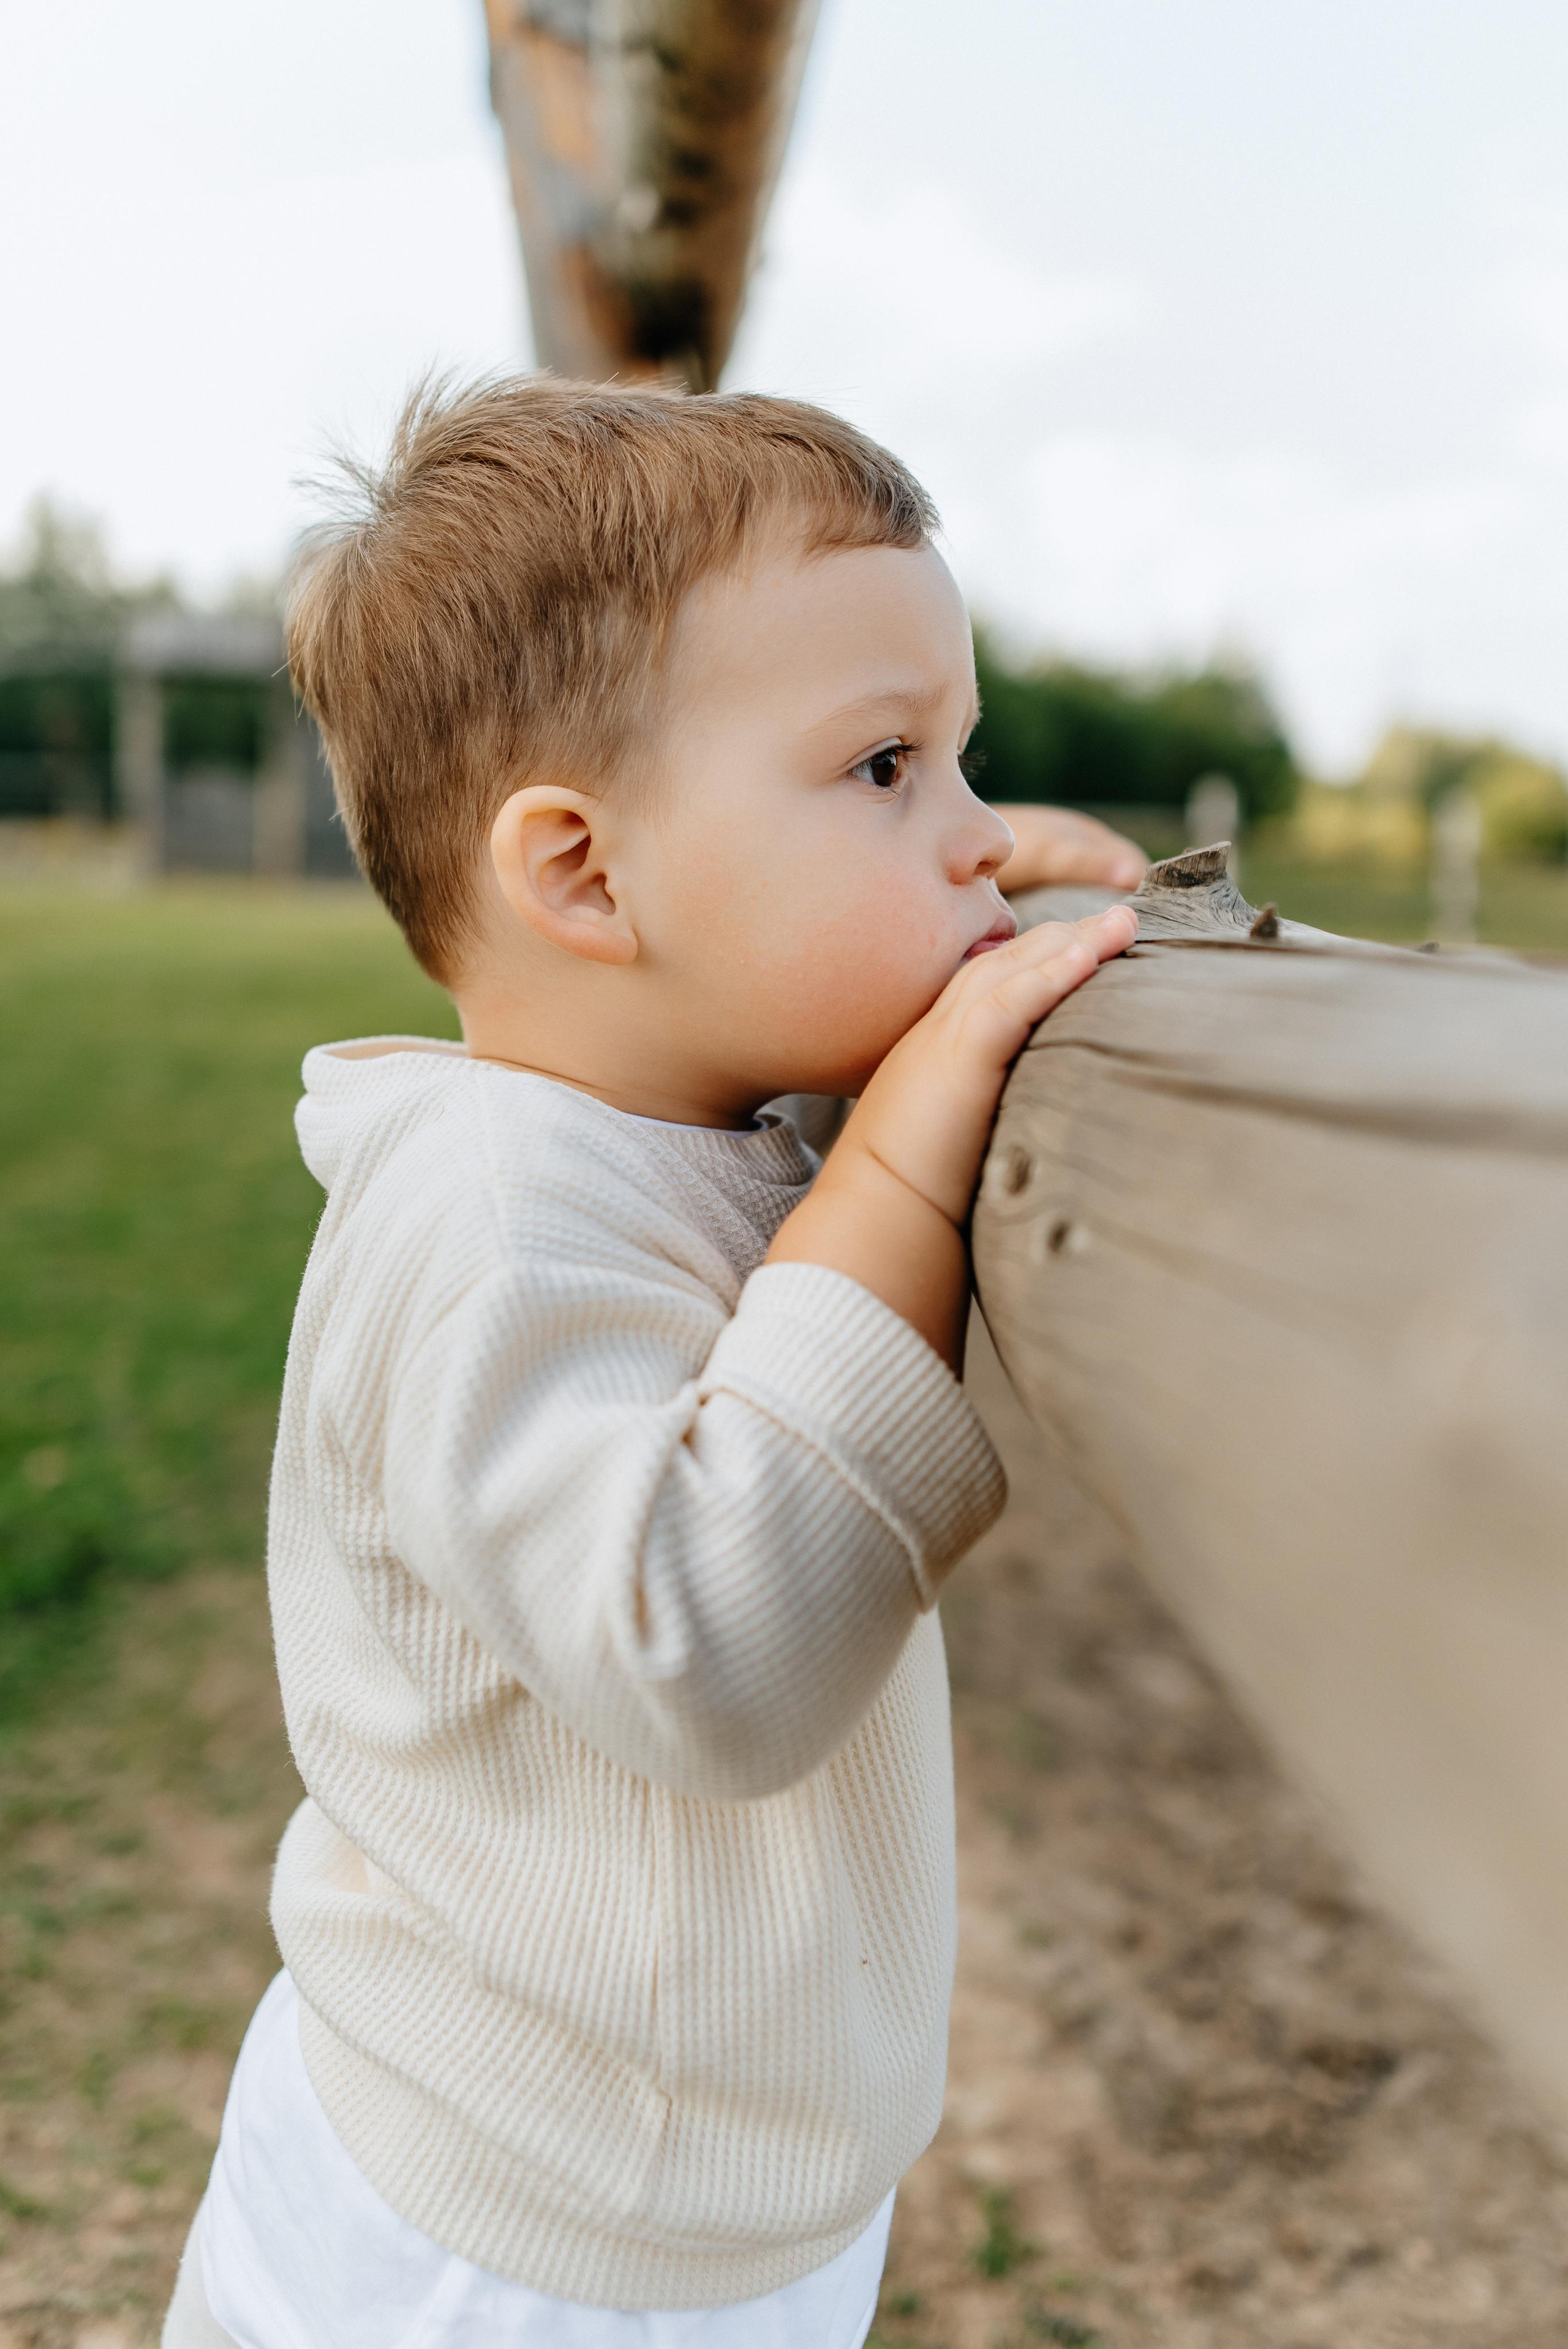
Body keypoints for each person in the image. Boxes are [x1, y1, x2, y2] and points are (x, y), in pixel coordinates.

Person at [162, 376, 1143, 2349]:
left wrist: (953, 888)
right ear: (588, 877)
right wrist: (898, 1160)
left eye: (964, 761)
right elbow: (708, 1638)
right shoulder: (489, 1226)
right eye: (888, 766)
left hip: (671, 2182)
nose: (971, 838)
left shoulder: (695, 1120)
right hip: (516, 2234)